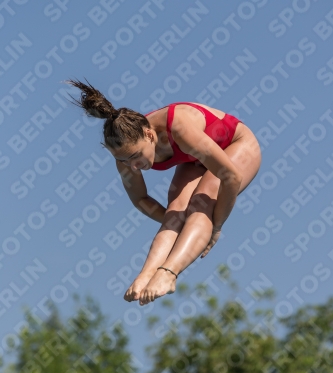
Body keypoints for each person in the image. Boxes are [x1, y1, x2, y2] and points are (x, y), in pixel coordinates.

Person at [67, 79, 261, 306]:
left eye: (136, 156)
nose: (133, 167)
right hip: (195, 157)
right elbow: (140, 199)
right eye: (124, 161)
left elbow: (231, 177)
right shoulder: (125, 155)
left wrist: (216, 225)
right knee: (176, 210)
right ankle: (147, 274)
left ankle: (169, 273)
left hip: (236, 144)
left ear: (149, 135)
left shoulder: (179, 128)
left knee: (201, 202)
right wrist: (176, 222)